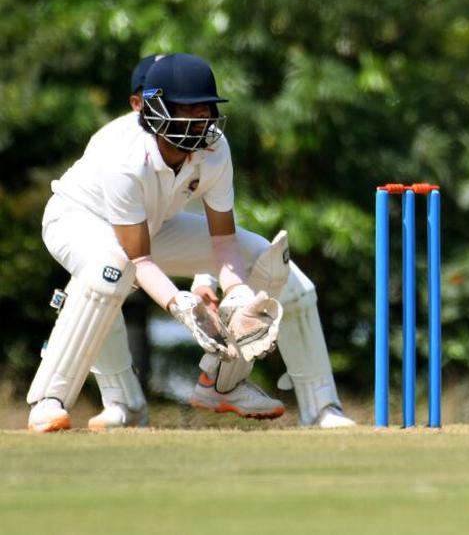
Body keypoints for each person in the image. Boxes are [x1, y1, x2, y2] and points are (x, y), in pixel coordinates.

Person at [80, 54, 355, 431]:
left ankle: (318, 407)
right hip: (110, 236)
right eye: (181, 106)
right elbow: (126, 242)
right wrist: (179, 300)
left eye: (199, 106)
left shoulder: (204, 143)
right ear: (140, 104)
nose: (192, 117)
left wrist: (205, 282)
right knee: (102, 282)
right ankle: (120, 401)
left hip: (169, 236)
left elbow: (210, 226)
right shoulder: (114, 145)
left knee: (292, 281)